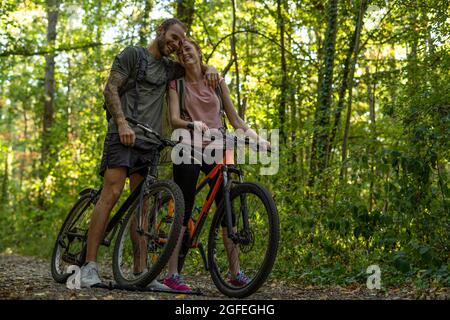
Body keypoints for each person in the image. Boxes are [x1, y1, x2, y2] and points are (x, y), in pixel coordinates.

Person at [80, 19, 219, 289]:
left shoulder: (170, 69)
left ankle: (141, 272)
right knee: (111, 193)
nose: (177, 44)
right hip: (122, 136)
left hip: (149, 143)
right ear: (160, 31)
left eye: (181, 40)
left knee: (142, 207)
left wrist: (211, 67)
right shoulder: (134, 54)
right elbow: (110, 88)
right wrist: (121, 124)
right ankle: (90, 267)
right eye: (174, 37)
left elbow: (195, 65)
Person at [164, 38, 270, 292]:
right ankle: (171, 274)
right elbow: (174, 119)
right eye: (180, 52)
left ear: (199, 53)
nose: (184, 53)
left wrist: (257, 138)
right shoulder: (176, 84)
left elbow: (235, 119)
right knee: (184, 207)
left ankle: (235, 273)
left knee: (227, 208)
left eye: (188, 49)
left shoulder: (216, 80)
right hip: (188, 144)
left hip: (219, 146)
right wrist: (192, 126)